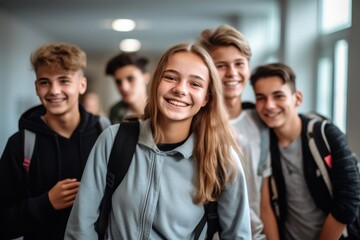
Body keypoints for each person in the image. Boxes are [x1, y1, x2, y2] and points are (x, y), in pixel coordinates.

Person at [65, 42, 251, 239]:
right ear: (155, 83)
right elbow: (80, 228)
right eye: (171, 77)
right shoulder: (113, 140)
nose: (180, 89)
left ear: (206, 97)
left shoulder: (221, 159)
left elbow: (238, 236)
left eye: (195, 83)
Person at [0, 43, 111, 240]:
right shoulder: (20, 144)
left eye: (64, 81)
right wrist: (46, 202)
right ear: (36, 87)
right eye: (45, 82)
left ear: (82, 85)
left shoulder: (106, 135)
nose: (54, 90)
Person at [250, 62, 360, 240]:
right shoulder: (264, 144)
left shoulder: (326, 134)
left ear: (297, 98)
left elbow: (349, 200)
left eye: (278, 96)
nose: (269, 105)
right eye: (261, 98)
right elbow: (266, 206)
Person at [197, 24, 276, 239]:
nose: (232, 73)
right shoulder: (195, 125)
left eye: (239, 64)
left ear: (248, 67)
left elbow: (264, 200)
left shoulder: (261, 123)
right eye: (221, 65)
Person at [105, 52, 150, 123]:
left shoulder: (161, 108)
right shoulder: (115, 112)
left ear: (146, 78)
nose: (124, 87)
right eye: (118, 82)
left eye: (130, 79)